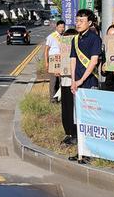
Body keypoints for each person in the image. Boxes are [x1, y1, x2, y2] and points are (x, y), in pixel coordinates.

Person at [59, 8, 103, 147]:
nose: (78, 24)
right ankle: (79, 142)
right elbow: (72, 59)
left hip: (89, 82)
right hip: (76, 82)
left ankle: (90, 146)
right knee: (77, 113)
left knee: (89, 114)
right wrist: (73, 80)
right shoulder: (75, 39)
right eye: (77, 20)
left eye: (81, 21)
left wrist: (81, 80)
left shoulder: (95, 38)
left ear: (89, 23)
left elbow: (94, 61)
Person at [43, 20, 66, 103]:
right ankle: (53, 100)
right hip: (53, 60)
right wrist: (46, 63)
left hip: (62, 60)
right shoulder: (51, 36)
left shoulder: (65, 36)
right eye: (60, 27)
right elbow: (46, 50)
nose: (62, 29)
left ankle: (59, 99)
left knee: (61, 80)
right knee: (53, 81)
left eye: (63, 27)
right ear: (56, 27)